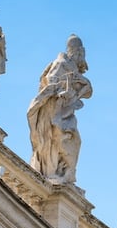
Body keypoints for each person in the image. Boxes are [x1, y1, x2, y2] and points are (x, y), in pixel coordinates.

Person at [27, 34, 92, 183]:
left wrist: (80, 83)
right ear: (76, 52)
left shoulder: (74, 70)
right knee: (59, 139)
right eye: (81, 54)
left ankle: (64, 172)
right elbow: (51, 80)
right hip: (54, 111)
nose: (82, 59)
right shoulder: (61, 63)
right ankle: (55, 172)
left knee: (74, 141)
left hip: (65, 112)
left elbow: (89, 91)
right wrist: (62, 89)